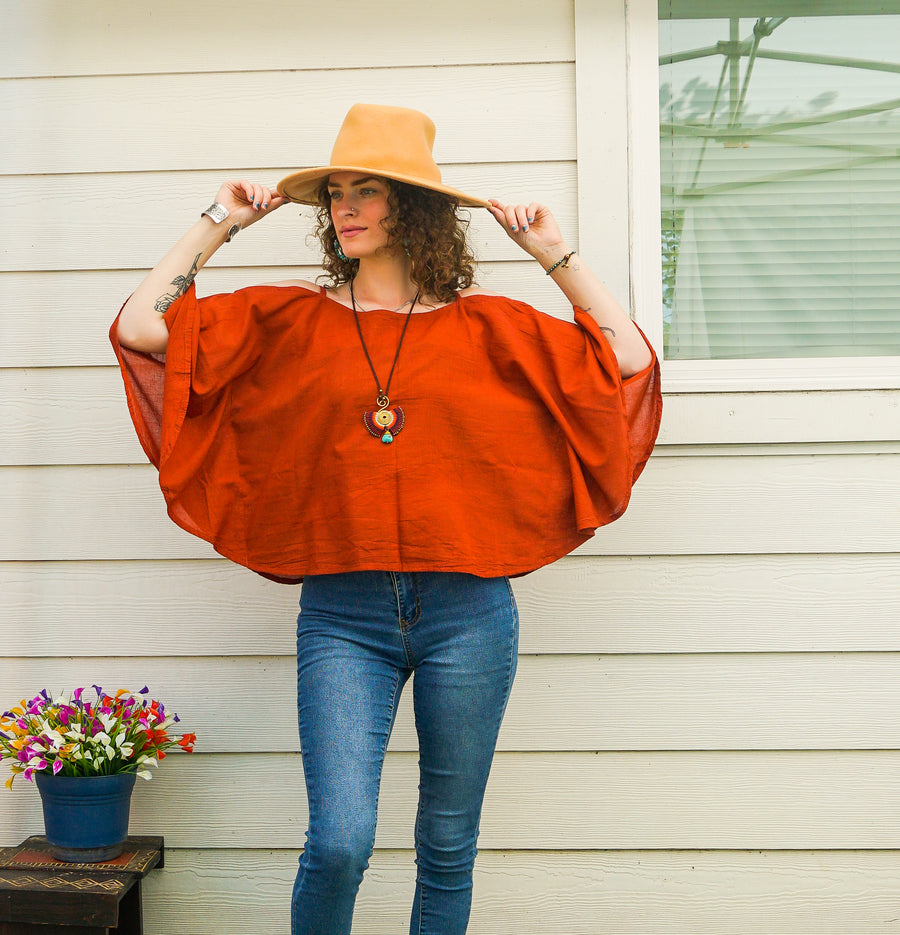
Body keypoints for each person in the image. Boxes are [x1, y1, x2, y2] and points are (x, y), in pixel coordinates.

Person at [111, 103, 661, 935]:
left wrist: (555, 255)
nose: (346, 208)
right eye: (336, 193)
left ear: (417, 207)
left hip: (469, 611)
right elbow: (139, 327)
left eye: (368, 190)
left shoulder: (492, 326)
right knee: (339, 840)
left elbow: (623, 359)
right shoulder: (287, 319)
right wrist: (218, 220)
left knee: (447, 843)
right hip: (343, 615)